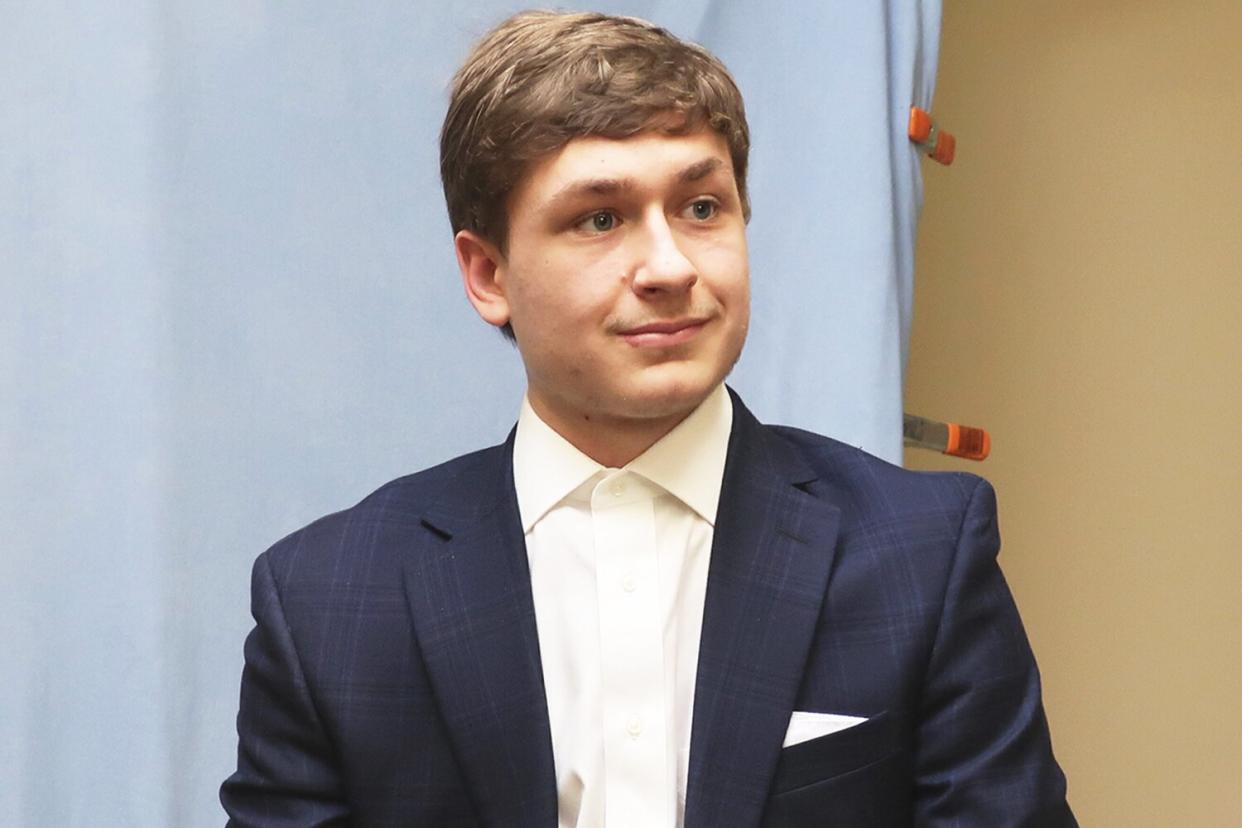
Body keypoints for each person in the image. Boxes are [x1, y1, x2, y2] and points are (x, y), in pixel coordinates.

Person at [221, 10, 1075, 827]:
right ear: (487, 275)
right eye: (601, 218)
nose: (669, 265)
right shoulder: (328, 601)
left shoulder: (922, 554)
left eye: (701, 207)